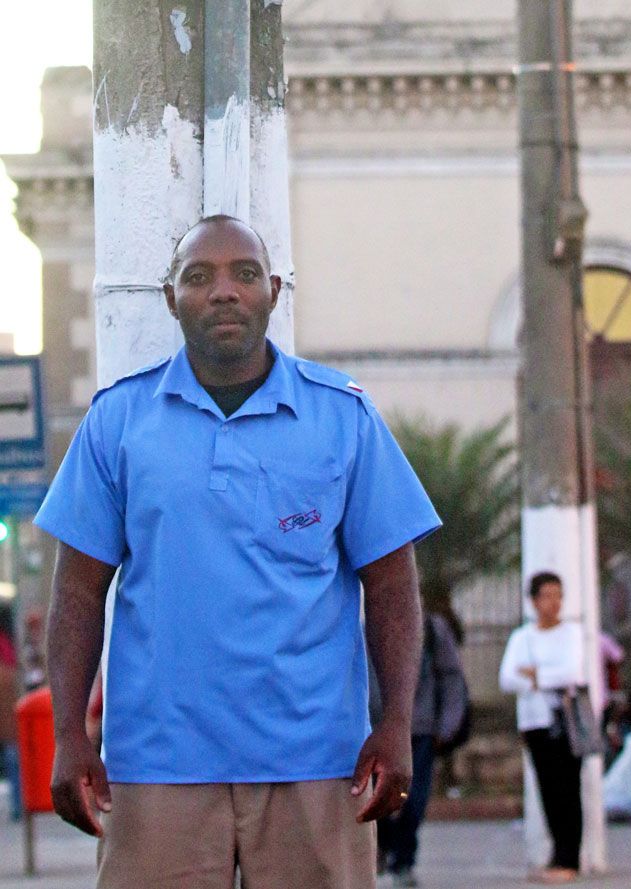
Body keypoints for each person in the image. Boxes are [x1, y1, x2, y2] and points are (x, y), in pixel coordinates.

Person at [34, 215, 441, 889]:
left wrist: (397, 722)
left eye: (244, 274)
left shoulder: (343, 416)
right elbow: (78, 590)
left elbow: (393, 584)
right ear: (171, 298)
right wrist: (70, 732)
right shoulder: (119, 422)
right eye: (199, 276)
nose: (224, 291)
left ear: (274, 291)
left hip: (317, 760)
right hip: (157, 765)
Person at [499, 572, 584, 885]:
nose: (554, 602)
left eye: (558, 595)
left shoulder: (571, 633)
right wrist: (546, 677)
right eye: (547, 595)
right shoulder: (522, 637)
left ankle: (569, 858)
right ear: (534, 600)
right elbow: (507, 678)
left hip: (564, 723)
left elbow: (572, 672)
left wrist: (536, 676)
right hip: (534, 723)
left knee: (568, 790)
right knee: (547, 790)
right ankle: (556, 855)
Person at [377, 611, 468, 887]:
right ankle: (385, 848)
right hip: (374, 729)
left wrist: (447, 724)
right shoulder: (366, 621)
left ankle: (402, 859)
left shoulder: (431, 627)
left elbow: (452, 676)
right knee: (376, 798)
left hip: (421, 730)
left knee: (412, 799)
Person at [0, 603, 21, 821]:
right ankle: (18, 803)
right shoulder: (8, 643)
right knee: (13, 756)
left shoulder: (4, 644)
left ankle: (18, 804)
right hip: (10, 714)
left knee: (12, 756)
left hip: (8, 715)